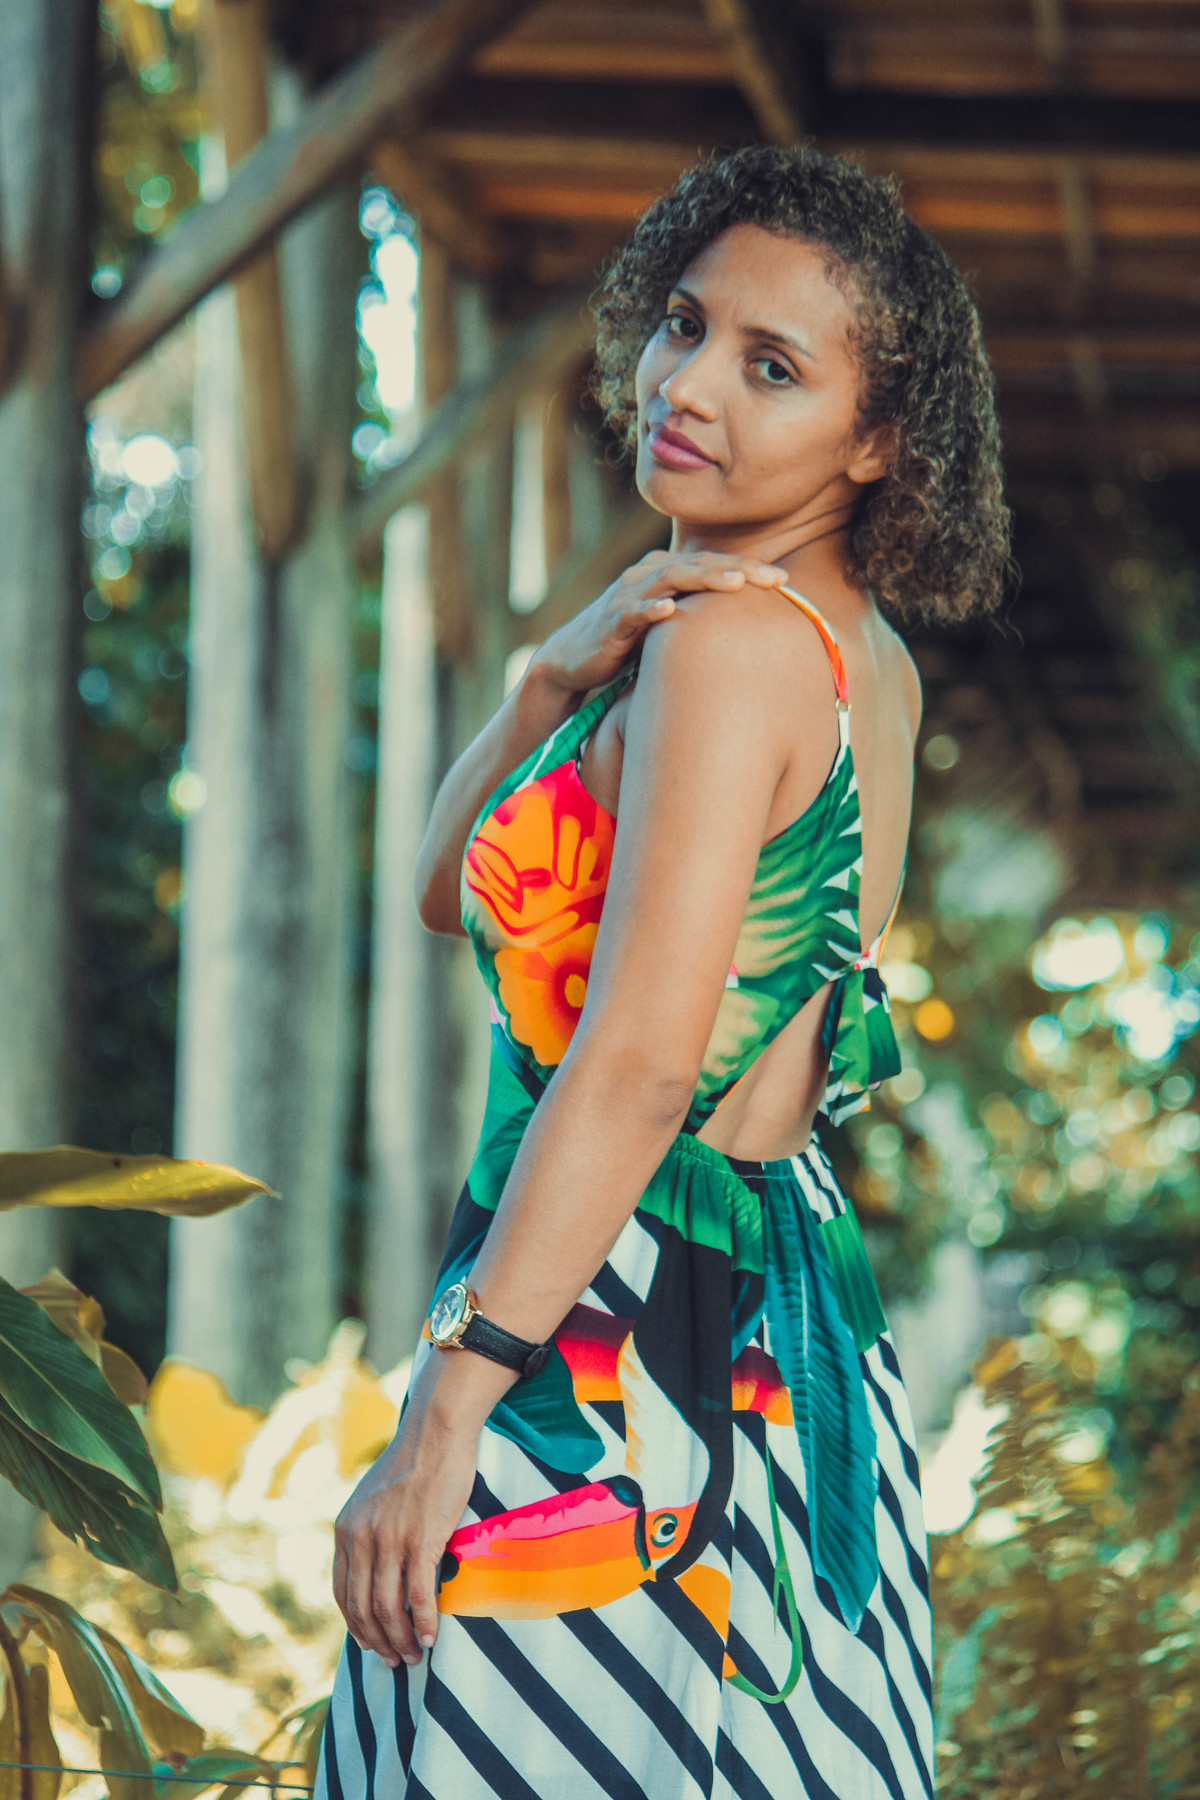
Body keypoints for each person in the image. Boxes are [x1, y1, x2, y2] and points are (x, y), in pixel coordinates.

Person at [316, 144, 1009, 1800]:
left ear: (879, 440)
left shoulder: (731, 647)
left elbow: (633, 1067)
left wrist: (446, 1412)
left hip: (607, 1338)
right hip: (777, 1316)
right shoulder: (855, 658)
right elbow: (449, 891)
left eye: (774, 368)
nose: (688, 385)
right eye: (686, 325)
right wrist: (549, 681)